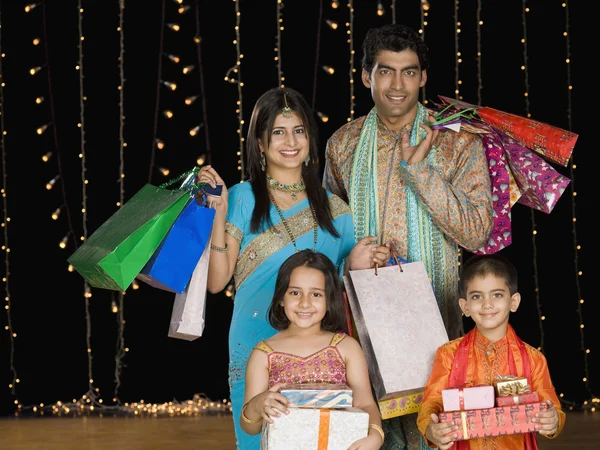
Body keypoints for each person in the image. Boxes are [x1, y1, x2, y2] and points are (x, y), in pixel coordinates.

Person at [322, 23, 494, 448]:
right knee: (373, 433)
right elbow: (326, 234)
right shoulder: (342, 144)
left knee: (439, 430)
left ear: (423, 77)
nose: (398, 85)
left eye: (409, 72)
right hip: (361, 320)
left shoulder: (457, 142)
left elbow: (477, 231)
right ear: (366, 76)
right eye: (385, 71)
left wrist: (422, 175)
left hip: (438, 314)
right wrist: (348, 262)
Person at [197, 87, 390, 449]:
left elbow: (336, 289)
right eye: (279, 132)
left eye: (299, 130)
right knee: (260, 430)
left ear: (310, 139)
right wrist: (218, 213)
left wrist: (355, 265)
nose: (290, 141)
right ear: (259, 142)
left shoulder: (336, 209)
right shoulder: (241, 198)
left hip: (319, 347)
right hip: (254, 337)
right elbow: (216, 282)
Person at [417, 253, 565, 449]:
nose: (487, 304)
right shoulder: (448, 354)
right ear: (465, 306)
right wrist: (431, 429)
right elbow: (431, 403)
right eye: (477, 296)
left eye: (497, 294)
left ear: (514, 302)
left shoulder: (533, 359)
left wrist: (553, 420)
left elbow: (551, 406)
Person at [241, 250, 384, 449]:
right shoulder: (263, 354)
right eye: (295, 292)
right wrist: (258, 404)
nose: (304, 303)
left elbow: (365, 404)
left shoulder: (346, 347)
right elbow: (250, 428)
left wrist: (376, 435)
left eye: (316, 294)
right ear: (281, 297)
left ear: (329, 300)